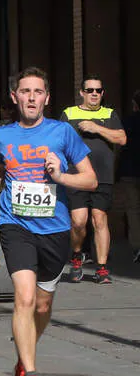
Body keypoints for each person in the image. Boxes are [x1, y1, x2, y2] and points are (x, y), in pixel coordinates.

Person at [0, 67, 96, 376]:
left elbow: (90, 179)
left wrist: (60, 177)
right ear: (14, 96)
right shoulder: (3, 135)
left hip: (55, 228)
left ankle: (24, 355)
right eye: (25, 91)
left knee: (43, 305)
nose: (31, 98)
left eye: (37, 92)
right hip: (15, 224)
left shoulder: (62, 133)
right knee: (25, 297)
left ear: (46, 98)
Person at [60, 75, 127, 284]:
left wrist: (96, 128)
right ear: (82, 93)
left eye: (98, 91)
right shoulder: (69, 114)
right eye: (90, 90)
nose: (94, 94)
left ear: (102, 93)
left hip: (103, 176)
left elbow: (122, 139)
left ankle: (102, 268)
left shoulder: (109, 114)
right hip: (76, 175)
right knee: (79, 222)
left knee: (100, 219)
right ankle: (77, 256)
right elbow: (59, 141)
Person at [113, 90, 140, 262]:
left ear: (134, 104)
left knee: (133, 210)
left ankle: (138, 248)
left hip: (130, 171)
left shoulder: (127, 122)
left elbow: (119, 147)